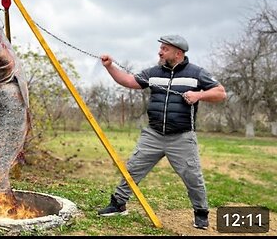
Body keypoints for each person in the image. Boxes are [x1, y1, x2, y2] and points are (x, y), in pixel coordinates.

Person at [97, 35, 227, 230]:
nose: (160, 52)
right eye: (161, 48)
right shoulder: (154, 73)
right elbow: (129, 81)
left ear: (178, 52)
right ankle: (118, 204)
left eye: (165, 49)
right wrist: (110, 67)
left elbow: (220, 92)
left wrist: (198, 94)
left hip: (182, 137)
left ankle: (201, 213)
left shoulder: (196, 73)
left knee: (193, 177)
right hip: (153, 134)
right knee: (132, 169)